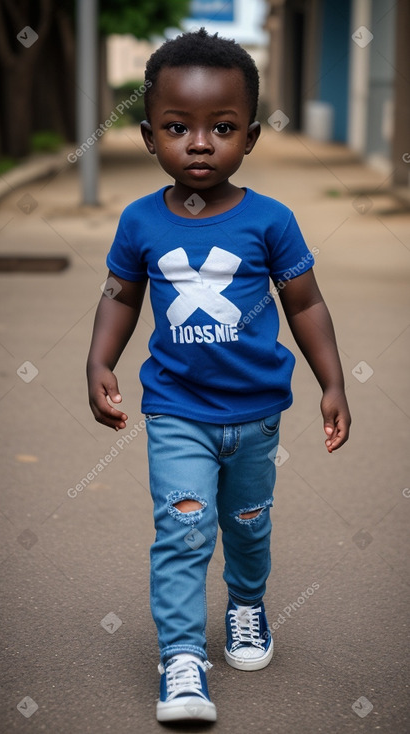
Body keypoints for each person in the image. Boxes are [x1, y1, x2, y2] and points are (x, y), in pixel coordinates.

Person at [86, 28, 351, 724]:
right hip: (176, 409)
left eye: (221, 127)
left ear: (251, 137)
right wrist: (98, 360)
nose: (199, 143)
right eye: (178, 127)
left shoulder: (271, 221)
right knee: (183, 528)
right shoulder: (140, 221)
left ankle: (245, 606)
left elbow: (305, 302)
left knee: (248, 524)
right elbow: (121, 294)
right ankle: (180, 657)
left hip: (257, 412)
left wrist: (332, 382)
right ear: (148, 136)